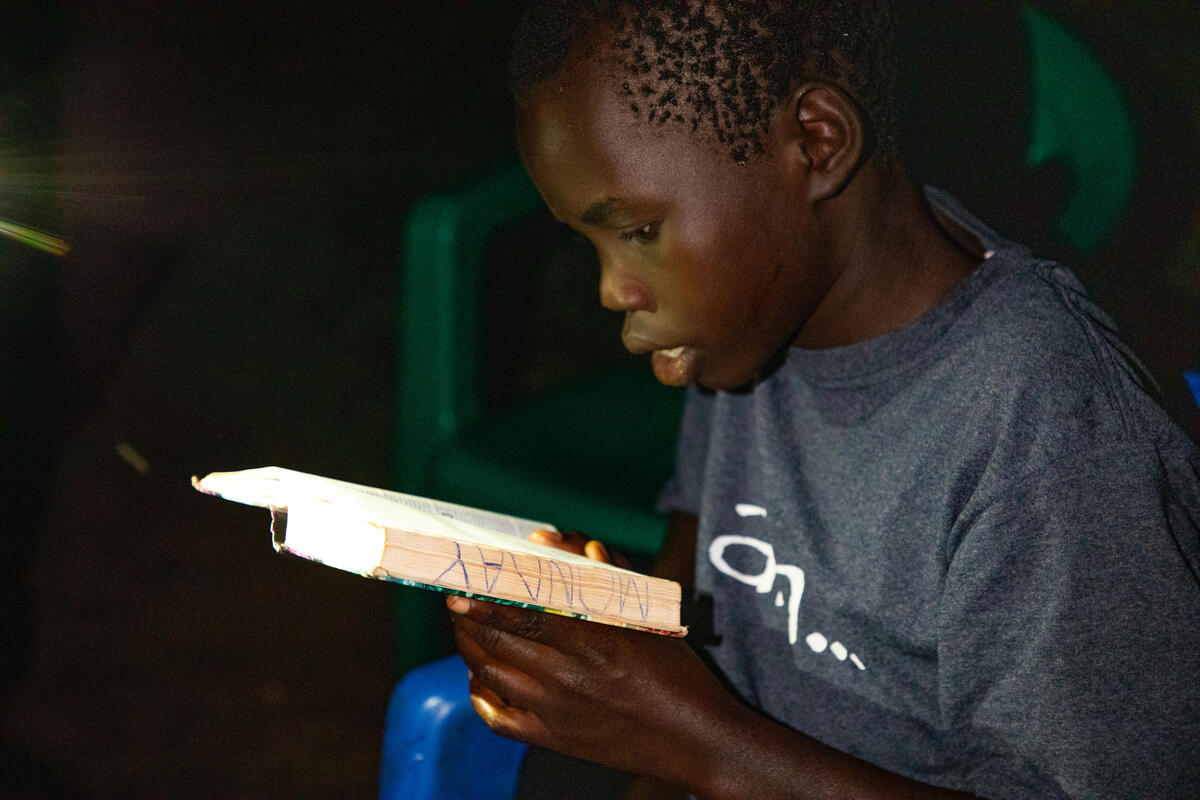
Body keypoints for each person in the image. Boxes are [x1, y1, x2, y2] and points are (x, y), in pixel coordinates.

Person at [447, 2, 1200, 797]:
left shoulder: (1051, 437)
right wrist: (625, 627)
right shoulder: (755, 320)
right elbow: (704, 539)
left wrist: (694, 741)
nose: (611, 291)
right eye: (589, 242)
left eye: (638, 232)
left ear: (816, 143)